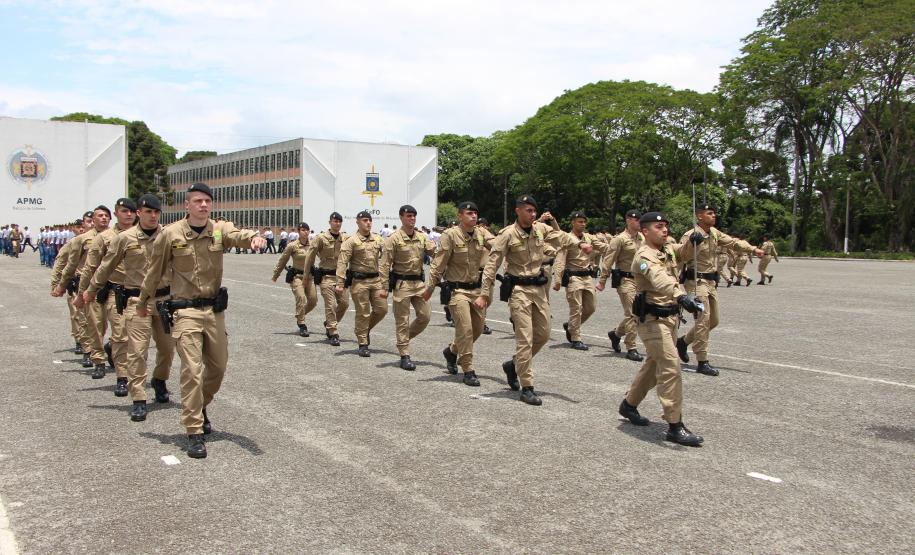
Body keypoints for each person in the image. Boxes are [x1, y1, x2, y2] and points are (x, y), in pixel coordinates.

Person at [136, 183, 266, 459]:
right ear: (187, 205)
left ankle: (200, 405)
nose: (203, 205)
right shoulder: (169, 234)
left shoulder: (219, 229)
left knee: (218, 368)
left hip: (214, 311)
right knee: (192, 370)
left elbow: (237, 235)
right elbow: (153, 272)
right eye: (197, 201)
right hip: (185, 312)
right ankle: (193, 429)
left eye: (207, 201)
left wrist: (253, 237)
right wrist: (143, 303)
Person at [476, 195, 591, 405]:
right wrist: (484, 294)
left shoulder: (540, 229)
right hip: (518, 290)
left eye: (534, 211)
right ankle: (527, 387)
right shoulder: (507, 234)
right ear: (518, 211)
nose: (532, 214)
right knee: (525, 338)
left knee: (544, 334)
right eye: (528, 210)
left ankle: (514, 365)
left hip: (538, 289)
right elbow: (492, 265)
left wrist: (580, 244)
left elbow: (560, 236)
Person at [616, 211, 706, 446]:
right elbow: (659, 279)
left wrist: (692, 242)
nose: (664, 229)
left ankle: (629, 405)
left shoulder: (667, 248)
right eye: (658, 227)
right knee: (670, 366)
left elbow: (683, 254)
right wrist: (682, 295)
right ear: (645, 231)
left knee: (653, 365)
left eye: (665, 225)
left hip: (669, 319)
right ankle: (675, 425)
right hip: (652, 320)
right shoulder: (643, 256)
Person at [88, 195, 175, 421]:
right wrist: (88, 291)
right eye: (148, 211)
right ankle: (138, 397)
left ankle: (159, 379)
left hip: (164, 301)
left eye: (156, 212)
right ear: (139, 213)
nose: (153, 215)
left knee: (167, 349)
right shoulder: (124, 238)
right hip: (137, 302)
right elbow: (106, 267)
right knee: (137, 350)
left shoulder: (168, 236)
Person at [677, 205, 764, 376]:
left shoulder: (715, 233)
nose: (713, 216)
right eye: (709, 213)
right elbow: (682, 257)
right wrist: (692, 244)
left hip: (710, 281)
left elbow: (733, 242)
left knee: (714, 321)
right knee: (703, 320)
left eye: (714, 213)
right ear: (699, 216)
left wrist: (753, 249)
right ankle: (702, 361)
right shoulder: (690, 235)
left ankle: (683, 341)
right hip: (696, 282)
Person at [425, 201, 493, 385]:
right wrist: (430, 288)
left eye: (475, 213)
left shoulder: (482, 233)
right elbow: (438, 263)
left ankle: (452, 351)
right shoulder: (450, 235)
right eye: (469, 213)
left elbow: (497, 246)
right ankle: (468, 369)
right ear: (460, 215)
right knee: (466, 329)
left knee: (477, 329)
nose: (473, 216)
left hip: (476, 290)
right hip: (457, 291)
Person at [78, 198, 138, 396]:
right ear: (117, 213)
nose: (128, 214)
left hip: (139, 293)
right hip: (113, 292)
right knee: (108, 329)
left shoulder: (145, 234)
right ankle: (119, 375)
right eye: (124, 211)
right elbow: (90, 267)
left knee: (133, 338)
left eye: (131, 211)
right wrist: (83, 292)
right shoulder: (104, 238)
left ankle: (111, 348)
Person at [54, 206, 112, 378]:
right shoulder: (82, 239)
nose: (103, 218)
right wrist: (60, 284)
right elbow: (70, 264)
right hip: (90, 287)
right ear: (93, 220)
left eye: (106, 216)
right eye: (99, 216)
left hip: (113, 286)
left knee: (120, 328)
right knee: (95, 325)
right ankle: (98, 360)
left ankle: (111, 347)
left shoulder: (117, 237)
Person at [379, 205, 436, 370]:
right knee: (402, 320)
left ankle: (403, 339)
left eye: (414, 216)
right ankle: (404, 354)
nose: (412, 219)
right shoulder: (394, 239)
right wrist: (384, 287)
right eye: (409, 216)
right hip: (402, 284)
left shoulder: (422, 237)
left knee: (425, 316)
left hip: (419, 284)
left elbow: (435, 253)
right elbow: (384, 265)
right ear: (402, 218)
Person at [552, 211, 611, 351]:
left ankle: (571, 326)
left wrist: (620, 249)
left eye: (584, 222)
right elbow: (560, 260)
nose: (582, 224)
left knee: (591, 307)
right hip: (573, 277)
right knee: (576, 308)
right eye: (579, 221)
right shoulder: (567, 238)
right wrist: (558, 280)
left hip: (587, 277)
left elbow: (605, 248)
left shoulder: (589, 238)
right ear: (573, 222)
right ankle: (576, 338)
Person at [335, 210, 387, 357]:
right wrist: (340, 282)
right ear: (358, 222)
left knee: (382, 310)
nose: (368, 222)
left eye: (370, 220)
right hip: (359, 282)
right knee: (363, 312)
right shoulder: (351, 241)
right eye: (364, 220)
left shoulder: (378, 240)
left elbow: (387, 256)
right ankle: (363, 343)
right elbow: (342, 262)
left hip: (376, 280)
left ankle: (364, 330)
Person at [597, 209, 645, 361]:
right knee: (632, 313)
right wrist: (602, 280)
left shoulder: (642, 238)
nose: (639, 223)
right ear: (629, 220)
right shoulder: (619, 239)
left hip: (640, 280)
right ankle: (631, 347)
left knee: (640, 312)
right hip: (625, 280)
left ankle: (616, 333)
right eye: (636, 220)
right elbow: (608, 260)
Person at [303, 212, 350, 346]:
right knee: (330, 305)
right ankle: (333, 332)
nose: (337, 223)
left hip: (341, 277)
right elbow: (310, 257)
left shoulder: (345, 238)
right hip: (326, 277)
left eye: (339, 221)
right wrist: (306, 276)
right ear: (330, 222)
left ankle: (329, 323)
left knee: (345, 304)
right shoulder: (321, 238)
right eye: (335, 221)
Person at [271, 222, 318, 336]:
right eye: (302, 230)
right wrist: (276, 275)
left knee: (313, 301)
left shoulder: (313, 245)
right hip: (297, 277)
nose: (305, 232)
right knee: (301, 298)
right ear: (298, 231)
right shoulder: (292, 246)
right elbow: (283, 260)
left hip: (309, 277)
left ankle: (299, 315)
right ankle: (302, 324)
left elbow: (323, 256)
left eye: (307, 230)